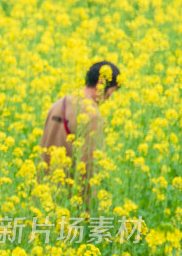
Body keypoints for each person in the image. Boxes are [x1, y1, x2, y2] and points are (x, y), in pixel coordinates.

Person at [39, 61, 121, 206]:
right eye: (111, 92)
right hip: (68, 201)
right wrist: (87, 208)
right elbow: (89, 166)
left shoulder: (58, 104)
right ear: (101, 83)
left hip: (44, 195)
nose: (109, 98)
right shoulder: (92, 115)